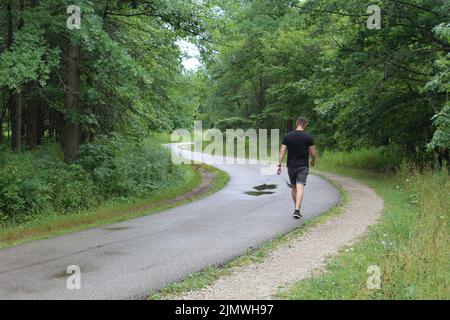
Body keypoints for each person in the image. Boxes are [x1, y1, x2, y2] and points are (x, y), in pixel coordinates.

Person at [277, 116, 317, 219]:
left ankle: (297, 208)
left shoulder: (288, 136)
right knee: (300, 187)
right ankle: (297, 209)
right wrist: (313, 161)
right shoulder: (308, 137)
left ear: (296, 123)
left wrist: (279, 164)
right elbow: (313, 152)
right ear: (305, 125)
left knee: (294, 187)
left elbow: (282, 151)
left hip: (291, 166)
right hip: (303, 166)